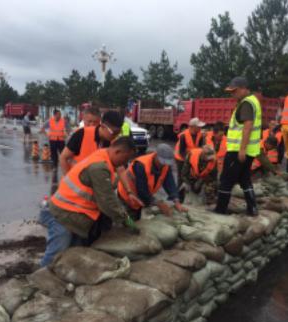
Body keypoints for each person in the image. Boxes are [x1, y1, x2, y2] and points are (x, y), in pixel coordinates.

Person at [40, 137, 138, 266]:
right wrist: (128, 221)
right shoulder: (99, 167)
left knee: (72, 254)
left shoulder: (104, 156)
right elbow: (108, 202)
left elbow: (106, 192)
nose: (124, 164)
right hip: (61, 214)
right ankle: (40, 278)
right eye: (125, 159)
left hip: (75, 215)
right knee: (56, 253)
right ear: (118, 152)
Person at [214, 76, 262, 216]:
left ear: (243, 89)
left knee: (226, 180)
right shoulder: (253, 101)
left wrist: (242, 149)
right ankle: (252, 209)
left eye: (234, 91)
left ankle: (220, 210)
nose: (232, 94)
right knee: (244, 179)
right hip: (250, 151)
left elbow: (248, 126)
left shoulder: (246, 103)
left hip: (238, 151)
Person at [118, 143, 188, 220]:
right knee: (127, 221)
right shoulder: (141, 165)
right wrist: (159, 203)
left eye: (166, 162)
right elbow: (142, 190)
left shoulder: (165, 166)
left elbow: (170, 183)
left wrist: (176, 201)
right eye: (162, 162)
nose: (163, 164)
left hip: (140, 199)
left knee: (137, 218)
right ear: (156, 155)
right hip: (127, 195)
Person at [59, 109, 117, 174]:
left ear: (100, 122)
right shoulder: (80, 134)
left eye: (95, 122)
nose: (92, 124)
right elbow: (63, 157)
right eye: (89, 121)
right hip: (77, 178)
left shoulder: (107, 137)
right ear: (83, 120)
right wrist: (67, 177)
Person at [174, 117, 205, 184]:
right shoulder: (183, 136)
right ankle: (179, 192)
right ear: (193, 127)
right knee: (181, 176)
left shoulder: (200, 135)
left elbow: (200, 148)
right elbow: (181, 151)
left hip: (192, 157)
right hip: (180, 158)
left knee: (192, 173)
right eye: (198, 126)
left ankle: (190, 186)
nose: (200, 128)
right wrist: (188, 160)